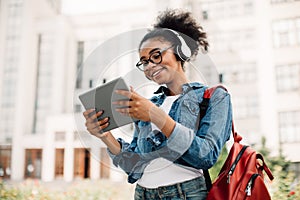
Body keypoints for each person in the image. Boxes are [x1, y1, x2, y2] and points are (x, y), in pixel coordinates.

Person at [83, 9, 232, 200]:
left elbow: (206, 156)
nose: (150, 66)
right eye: (144, 62)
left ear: (179, 52)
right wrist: (106, 137)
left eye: (156, 55)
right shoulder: (148, 104)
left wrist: (156, 115)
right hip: (143, 193)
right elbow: (134, 164)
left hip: (186, 194)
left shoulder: (214, 97)